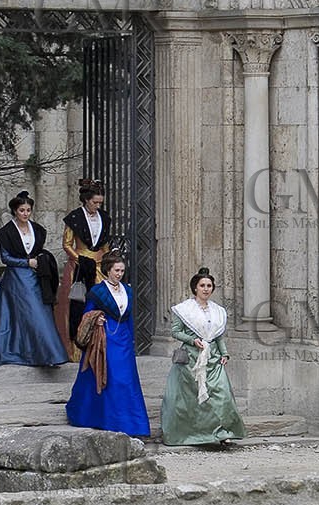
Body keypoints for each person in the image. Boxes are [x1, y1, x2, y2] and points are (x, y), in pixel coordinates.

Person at [0, 192, 68, 368]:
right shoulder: (6, 233)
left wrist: (40, 261)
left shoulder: (38, 229)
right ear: (14, 211)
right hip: (16, 278)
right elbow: (6, 258)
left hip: (36, 278)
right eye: (22, 210)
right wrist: (27, 262)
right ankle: (26, 354)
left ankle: (47, 355)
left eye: (28, 210)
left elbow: (37, 250)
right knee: (26, 314)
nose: (26, 213)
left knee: (39, 313)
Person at [66, 251, 151, 435]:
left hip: (123, 338)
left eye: (122, 270)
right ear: (107, 270)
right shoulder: (98, 292)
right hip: (104, 338)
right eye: (116, 270)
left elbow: (129, 318)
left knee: (128, 380)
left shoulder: (127, 290)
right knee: (108, 378)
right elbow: (86, 315)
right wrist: (95, 319)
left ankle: (134, 424)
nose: (120, 274)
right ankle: (105, 418)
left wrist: (131, 339)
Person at [161, 268, 245, 447]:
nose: (206, 289)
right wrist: (192, 340)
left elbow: (218, 336)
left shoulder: (218, 311)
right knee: (190, 398)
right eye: (202, 286)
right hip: (191, 359)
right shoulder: (184, 310)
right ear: (195, 288)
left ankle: (223, 432)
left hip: (213, 358)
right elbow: (176, 332)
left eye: (209, 286)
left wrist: (224, 353)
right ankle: (196, 434)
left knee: (222, 394)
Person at [55, 178, 121, 361]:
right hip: (79, 267)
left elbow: (105, 244)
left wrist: (109, 259)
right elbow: (67, 244)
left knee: (104, 304)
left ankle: (103, 345)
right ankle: (77, 349)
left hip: (100, 267)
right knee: (78, 305)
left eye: (100, 203)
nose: (97, 206)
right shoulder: (74, 218)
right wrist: (82, 260)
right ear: (86, 200)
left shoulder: (104, 218)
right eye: (94, 202)